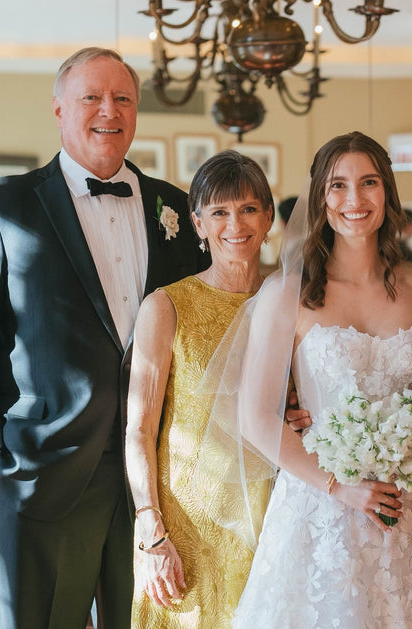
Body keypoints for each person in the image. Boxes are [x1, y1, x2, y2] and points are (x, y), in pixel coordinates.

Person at [0, 47, 207, 628]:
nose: (109, 110)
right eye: (92, 97)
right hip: (38, 481)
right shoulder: (1, 208)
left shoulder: (178, 210)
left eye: (123, 98)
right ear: (59, 110)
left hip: (159, 483)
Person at [231, 131, 412, 627]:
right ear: (320, 198)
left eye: (369, 182)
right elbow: (255, 418)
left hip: (405, 508)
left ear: (388, 193)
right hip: (318, 511)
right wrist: (338, 487)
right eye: (338, 185)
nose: (355, 200)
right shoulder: (290, 293)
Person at [124, 151, 275, 626]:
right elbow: (139, 428)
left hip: (273, 518)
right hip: (183, 525)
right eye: (220, 212)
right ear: (198, 223)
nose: (236, 224)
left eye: (249, 209)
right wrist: (150, 528)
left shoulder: (290, 303)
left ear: (268, 217)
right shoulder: (167, 306)